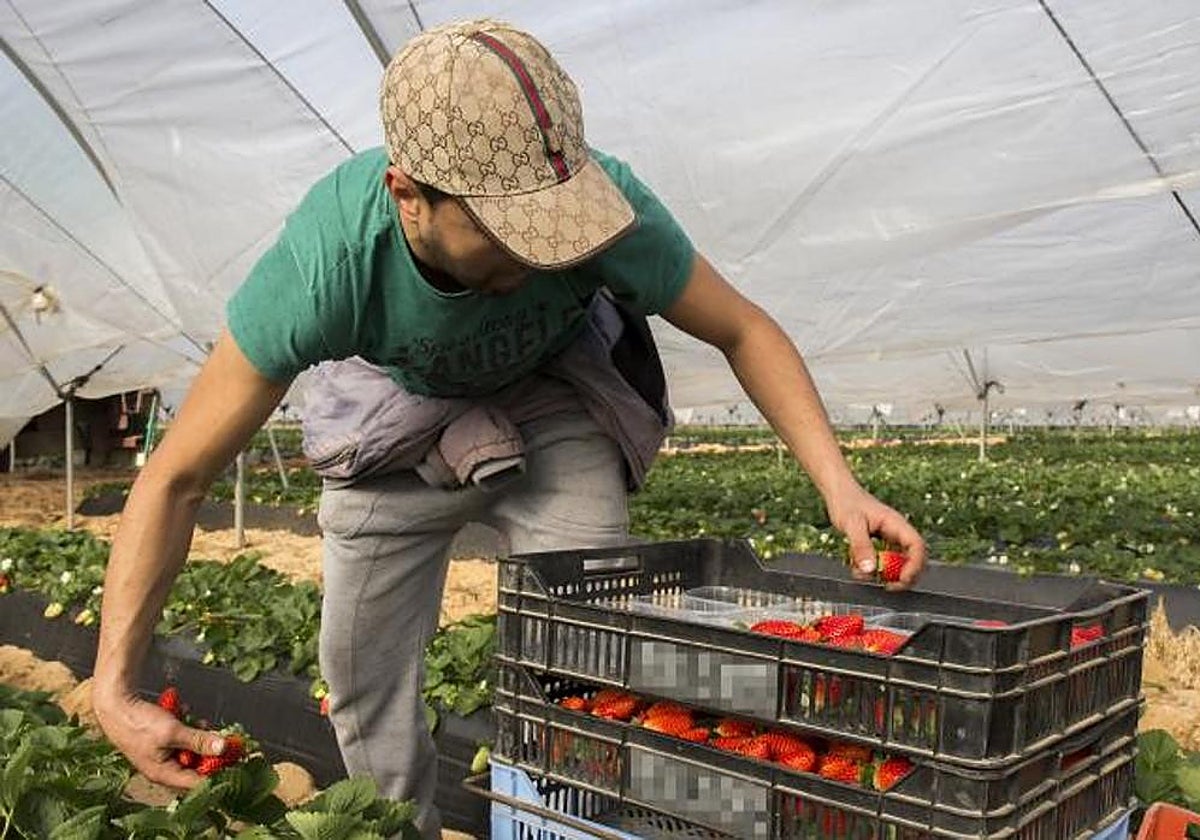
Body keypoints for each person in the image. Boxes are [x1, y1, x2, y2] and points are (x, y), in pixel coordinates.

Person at [92, 18, 926, 839]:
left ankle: (558, 825)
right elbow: (176, 477)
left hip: (547, 395)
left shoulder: (605, 210)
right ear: (408, 195)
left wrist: (840, 484)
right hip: (391, 418)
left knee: (590, 648)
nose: (540, 258)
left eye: (555, 229)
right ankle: (397, 827)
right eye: (506, 234)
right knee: (360, 673)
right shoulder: (328, 264)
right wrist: (114, 686)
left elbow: (742, 327)